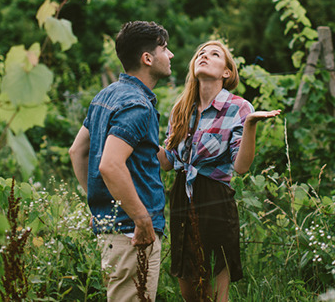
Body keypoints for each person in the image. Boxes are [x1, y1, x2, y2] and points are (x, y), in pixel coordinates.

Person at [157, 40, 280, 302]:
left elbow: (241, 166)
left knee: (213, 293)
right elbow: (167, 161)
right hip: (181, 195)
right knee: (188, 290)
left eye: (214, 54)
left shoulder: (239, 107)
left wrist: (250, 126)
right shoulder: (180, 108)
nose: (205, 56)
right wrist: (142, 135)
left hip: (214, 197)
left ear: (227, 72)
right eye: (201, 53)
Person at [69, 20, 173, 301]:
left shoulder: (107, 94)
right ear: (147, 58)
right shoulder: (137, 106)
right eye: (164, 48)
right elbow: (110, 164)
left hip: (113, 226)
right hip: (133, 232)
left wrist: (99, 205)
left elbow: (77, 151)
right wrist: (142, 219)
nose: (171, 55)